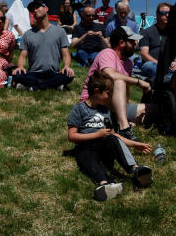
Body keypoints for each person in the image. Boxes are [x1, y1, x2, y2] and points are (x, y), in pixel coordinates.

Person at [66, 71, 154, 201]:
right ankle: (105, 184)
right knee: (84, 155)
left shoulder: (105, 111)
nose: (109, 96)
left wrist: (135, 144)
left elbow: (113, 135)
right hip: (86, 147)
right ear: (96, 91)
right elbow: (72, 136)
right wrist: (97, 134)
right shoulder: (79, 109)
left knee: (112, 139)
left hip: (105, 147)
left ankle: (135, 170)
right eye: (108, 93)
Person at [80, 27, 150, 140]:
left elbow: (125, 97)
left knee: (151, 109)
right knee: (119, 81)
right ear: (122, 43)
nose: (135, 44)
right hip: (94, 105)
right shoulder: (107, 53)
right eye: (132, 41)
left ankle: (127, 124)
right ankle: (124, 128)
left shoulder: (129, 63)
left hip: (114, 107)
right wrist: (139, 82)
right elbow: (110, 75)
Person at [11, 0, 75, 91]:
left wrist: (67, 66)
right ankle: (53, 85)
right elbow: (22, 56)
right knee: (16, 75)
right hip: (33, 73)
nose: (35, 10)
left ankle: (33, 87)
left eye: (37, 7)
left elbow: (65, 54)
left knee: (69, 75)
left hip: (53, 73)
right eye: (33, 10)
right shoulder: (27, 34)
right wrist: (21, 67)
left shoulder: (60, 31)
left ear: (46, 9)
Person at [137, 2, 171, 79]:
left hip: (170, 65)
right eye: (164, 13)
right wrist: (159, 64)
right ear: (157, 15)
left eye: (169, 13)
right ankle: (169, 79)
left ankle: (168, 78)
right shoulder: (147, 32)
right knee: (149, 66)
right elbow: (144, 54)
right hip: (154, 64)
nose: (167, 15)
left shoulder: (174, 33)